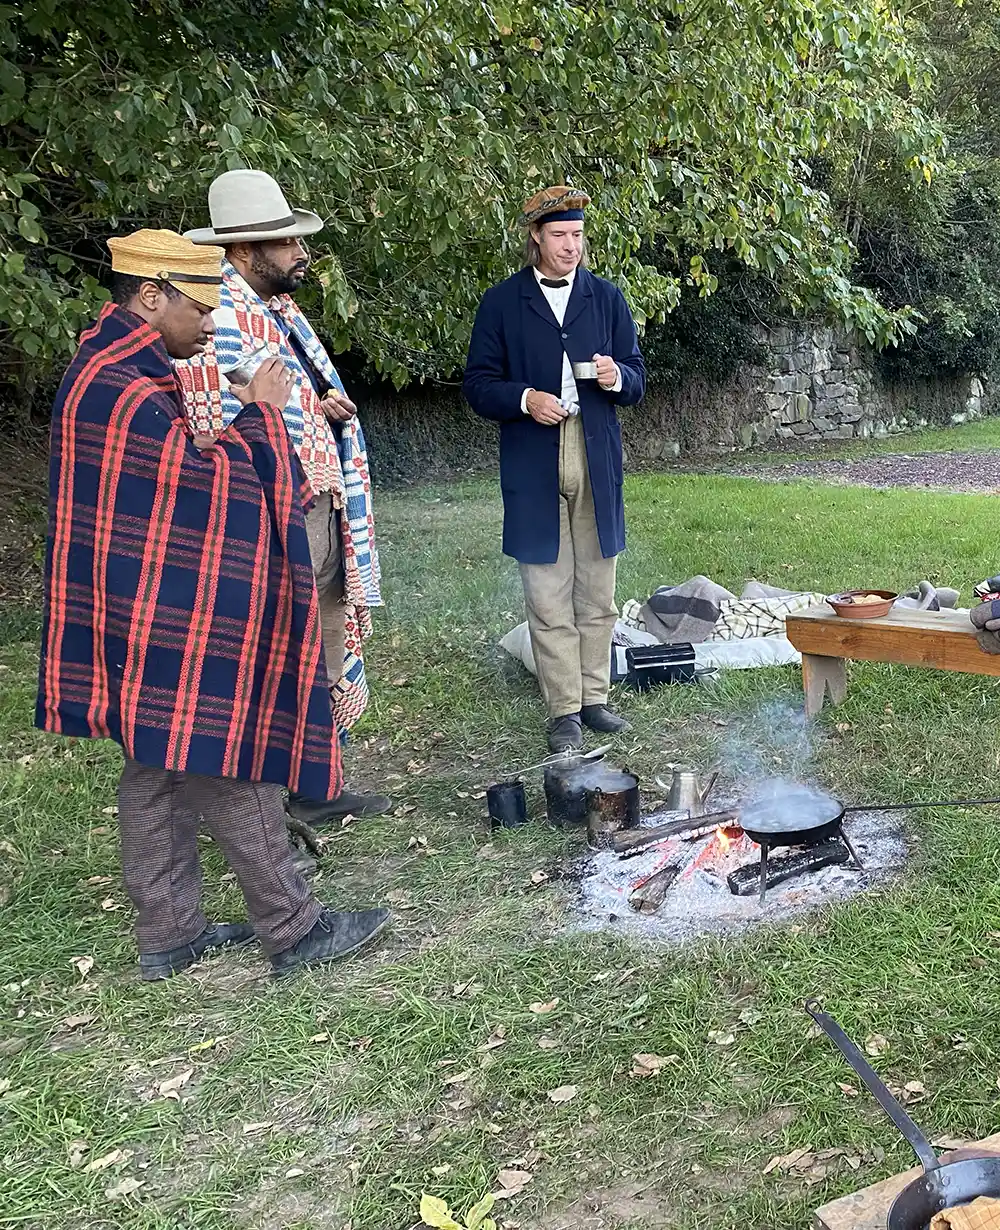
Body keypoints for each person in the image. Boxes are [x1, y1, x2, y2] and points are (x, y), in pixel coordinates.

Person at [35, 229, 389, 980]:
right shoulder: (120, 387)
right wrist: (260, 414)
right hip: (161, 610)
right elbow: (200, 494)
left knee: (155, 763)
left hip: (132, 606)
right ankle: (295, 931)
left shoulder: (115, 364)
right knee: (226, 756)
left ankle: (170, 934)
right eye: (199, 307)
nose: (208, 323)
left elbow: (168, 482)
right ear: (151, 295)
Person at [175, 170, 387, 829]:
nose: (302, 253)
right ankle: (273, 802)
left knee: (322, 648)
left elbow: (285, 404)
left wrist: (328, 412)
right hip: (273, 519)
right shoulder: (220, 317)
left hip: (316, 512)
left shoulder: (280, 315)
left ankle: (322, 784)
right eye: (287, 242)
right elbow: (215, 418)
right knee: (279, 656)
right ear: (243, 252)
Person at [463, 185, 646, 752]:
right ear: (536, 237)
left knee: (597, 590)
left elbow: (637, 378)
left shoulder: (608, 299)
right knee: (547, 591)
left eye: (578, 236)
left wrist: (619, 380)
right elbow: (478, 385)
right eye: (560, 236)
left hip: (596, 457)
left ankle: (595, 699)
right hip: (533, 460)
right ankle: (563, 708)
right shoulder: (501, 303)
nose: (572, 246)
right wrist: (524, 399)